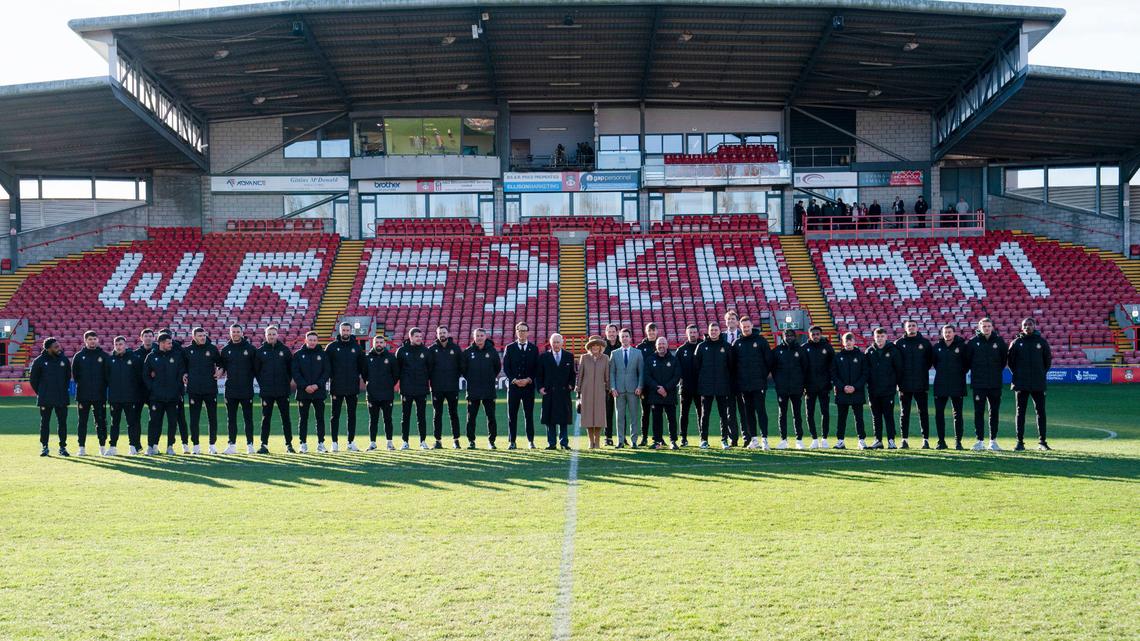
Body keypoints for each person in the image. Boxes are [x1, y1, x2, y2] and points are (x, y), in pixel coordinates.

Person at [1007, 318, 1052, 451]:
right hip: (1021, 383)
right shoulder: (1016, 342)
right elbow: (1011, 363)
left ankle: (1042, 442)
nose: (1027, 327)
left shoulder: (1042, 342)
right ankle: (1019, 442)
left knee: (1041, 412)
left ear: (1034, 326)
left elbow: (1047, 362)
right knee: (1020, 412)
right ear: (1021, 327)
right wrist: (1019, 375)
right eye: (1025, 325)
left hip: (1038, 383)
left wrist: (1039, 374)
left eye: (1030, 324)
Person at [966, 317, 1007, 451]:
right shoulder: (973, 342)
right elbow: (968, 361)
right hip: (979, 384)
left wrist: (994, 373)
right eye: (984, 326)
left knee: (994, 412)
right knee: (979, 412)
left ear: (992, 327)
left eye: (989, 326)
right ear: (979, 328)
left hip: (995, 384)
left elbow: (1003, 361)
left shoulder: (999, 342)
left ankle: (993, 441)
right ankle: (979, 441)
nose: (986, 328)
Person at [732, 315, 772, 449]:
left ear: (752, 326)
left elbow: (768, 361)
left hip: (758, 384)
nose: (746, 329)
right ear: (740, 327)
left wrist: (762, 377)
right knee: (748, 413)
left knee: (761, 411)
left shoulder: (761, 341)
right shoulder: (737, 343)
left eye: (748, 326)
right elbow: (734, 365)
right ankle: (754, 439)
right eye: (744, 327)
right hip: (744, 385)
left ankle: (765, 439)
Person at [326, 322, 367, 451]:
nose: (345, 332)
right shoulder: (331, 347)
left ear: (351, 331)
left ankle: (351, 442)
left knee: (352, 415)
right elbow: (327, 366)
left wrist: (363, 379)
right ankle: (334, 443)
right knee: (335, 416)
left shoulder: (357, 347)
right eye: (343, 330)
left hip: (352, 387)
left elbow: (362, 366)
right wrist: (333, 377)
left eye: (347, 330)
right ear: (340, 331)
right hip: (336, 386)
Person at [145, 333, 186, 455]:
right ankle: (152, 446)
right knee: (154, 422)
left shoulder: (177, 356)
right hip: (156, 397)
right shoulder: (151, 357)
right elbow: (145, 375)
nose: (171, 345)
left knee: (172, 422)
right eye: (169, 343)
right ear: (161, 343)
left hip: (173, 397)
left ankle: (170, 446)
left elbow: (181, 373)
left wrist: (178, 390)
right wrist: (152, 388)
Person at [695, 322, 734, 449]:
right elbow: (697, 367)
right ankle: (704, 439)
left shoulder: (726, 346)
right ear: (708, 331)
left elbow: (731, 366)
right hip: (706, 387)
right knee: (705, 414)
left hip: (722, 387)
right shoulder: (701, 346)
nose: (713, 332)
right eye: (711, 330)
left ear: (719, 331)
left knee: (723, 414)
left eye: (716, 330)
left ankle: (724, 440)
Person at [895, 319, 933, 449]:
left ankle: (925, 440)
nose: (911, 327)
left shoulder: (925, 343)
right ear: (905, 328)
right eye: (909, 326)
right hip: (904, 384)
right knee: (904, 413)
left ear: (917, 328)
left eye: (913, 326)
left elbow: (929, 362)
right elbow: (897, 364)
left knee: (923, 412)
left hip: (920, 384)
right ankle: (904, 440)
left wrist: (920, 373)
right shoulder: (899, 343)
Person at [30, 337, 71, 457]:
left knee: (62, 423)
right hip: (45, 398)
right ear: (48, 349)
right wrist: (42, 392)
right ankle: (44, 447)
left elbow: (68, 377)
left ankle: (62, 447)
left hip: (61, 397)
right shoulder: (39, 361)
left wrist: (62, 390)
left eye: (59, 346)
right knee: (45, 423)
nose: (59, 348)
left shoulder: (64, 360)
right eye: (56, 347)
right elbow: (33, 380)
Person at [219, 324, 256, 454]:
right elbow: (221, 367)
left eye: (237, 331)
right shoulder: (225, 350)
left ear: (242, 333)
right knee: (231, 419)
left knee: (248, 418)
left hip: (246, 389)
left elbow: (257, 368)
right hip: (230, 390)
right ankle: (231, 445)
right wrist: (219, 372)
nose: (235, 333)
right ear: (230, 333)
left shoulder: (251, 349)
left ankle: (250, 445)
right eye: (233, 331)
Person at [256, 325, 294, 453]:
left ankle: (289, 445)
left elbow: (290, 370)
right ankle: (264, 445)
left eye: (273, 334)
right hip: (267, 392)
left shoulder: (285, 350)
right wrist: (264, 384)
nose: (271, 336)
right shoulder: (260, 351)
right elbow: (257, 371)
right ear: (265, 336)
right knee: (266, 418)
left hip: (282, 391)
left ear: (277, 335)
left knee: (286, 418)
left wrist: (285, 382)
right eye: (269, 334)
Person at [72, 330, 110, 456]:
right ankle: (81, 447)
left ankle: (102, 447)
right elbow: (76, 375)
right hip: (83, 396)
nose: (92, 341)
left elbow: (107, 376)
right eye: (90, 339)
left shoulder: (104, 356)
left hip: (99, 395)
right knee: (82, 422)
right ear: (85, 341)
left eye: (94, 339)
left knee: (101, 421)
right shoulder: (79, 356)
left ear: (98, 340)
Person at [183, 327, 220, 454]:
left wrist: (220, 370)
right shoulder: (188, 351)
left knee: (212, 418)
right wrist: (184, 373)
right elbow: (182, 366)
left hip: (210, 389)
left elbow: (221, 363)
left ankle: (212, 445)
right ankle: (196, 446)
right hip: (194, 390)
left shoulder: (212, 349)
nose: (203, 337)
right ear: (194, 337)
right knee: (194, 419)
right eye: (200, 336)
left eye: (204, 335)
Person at [463, 328, 502, 449]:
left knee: (491, 417)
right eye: (477, 336)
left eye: (481, 335)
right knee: (471, 418)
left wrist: (489, 378)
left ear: (485, 337)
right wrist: (472, 378)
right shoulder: (468, 352)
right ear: (473, 337)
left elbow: (497, 367)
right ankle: (471, 441)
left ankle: (491, 441)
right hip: (473, 390)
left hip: (488, 389)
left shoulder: (492, 351)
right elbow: (464, 369)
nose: (479, 338)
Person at [502, 322, 538, 449]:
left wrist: (528, 379)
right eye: (519, 330)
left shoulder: (534, 348)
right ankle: (512, 441)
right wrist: (514, 380)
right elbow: (506, 367)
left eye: (524, 330)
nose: (522, 333)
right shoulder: (510, 348)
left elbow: (536, 368)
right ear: (516, 332)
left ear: (528, 332)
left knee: (529, 415)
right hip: (514, 387)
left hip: (528, 387)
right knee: (512, 415)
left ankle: (531, 441)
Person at [536, 333, 575, 450]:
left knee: (564, 419)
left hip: (564, 393)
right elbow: (539, 375)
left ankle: (564, 443)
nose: (556, 344)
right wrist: (540, 388)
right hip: (549, 392)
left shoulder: (569, 356)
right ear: (550, 343)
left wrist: (571, 385)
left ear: (562, 343)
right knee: (550, 419)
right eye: (554, 342)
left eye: (558, 342)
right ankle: (551, 443)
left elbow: (572, 374)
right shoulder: (543, 357)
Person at [293, 331, 330, 453]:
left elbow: (326, 372)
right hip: (303, 392)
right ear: (306, 340)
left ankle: (321, 444)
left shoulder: (323, 355)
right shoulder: (298, 355)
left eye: (314, 340)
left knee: (320, 418)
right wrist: (305, 386)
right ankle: (303, 444)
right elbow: (296, 373)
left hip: (318, 392)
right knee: (303, 419)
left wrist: (317, 385)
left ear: (317, 341)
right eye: (310, 340)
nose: (312, 342)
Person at [865, 327, 902, 449]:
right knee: (876, 416)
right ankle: (878, 440)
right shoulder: (869, 351)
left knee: (888, 416)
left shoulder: (893, 351)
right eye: (877, 336)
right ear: (874, 338)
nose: (879, 339)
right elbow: (865, 371)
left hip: (888, 390)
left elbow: (899, 370)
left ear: (886, 337)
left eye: (882, 336)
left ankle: (891, 440)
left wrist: (894, 384)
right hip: (873, 390)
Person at [931, 324, 967, 450]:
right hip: (940, 384)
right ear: (942, 333)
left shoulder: (962, 346)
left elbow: (966, 363)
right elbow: (935, 363)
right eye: (945, 332)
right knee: (939, 414)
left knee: (958, 414)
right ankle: (941, 441)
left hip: (957, 384)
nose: (947, 334)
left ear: (954, 333)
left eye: (949, 332)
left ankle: (958, 442)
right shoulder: (937, 347)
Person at [106, 336, 144, 455]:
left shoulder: (134, 358)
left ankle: (132, 446)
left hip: (130, 397)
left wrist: (135, 394)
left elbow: (139, 378)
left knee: (131, 422)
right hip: (115, 397)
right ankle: (112, 447)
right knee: (114, 423)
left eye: (121, 344)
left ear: (125, 345)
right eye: (116, 344)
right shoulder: (110, 359)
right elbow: (106, 378)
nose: (118, 346)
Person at [771, 328, 807, 449]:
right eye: (786, 335)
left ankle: (799, 440)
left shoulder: (801, 350)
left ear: (795, 337)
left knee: (797, 414)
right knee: (782, 414)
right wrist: (778, 382)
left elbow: (805, 369)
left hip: (797, 388)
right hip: (782, 388)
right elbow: (773, 369)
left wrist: (803, 385)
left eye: (791, 335)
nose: (789, 337)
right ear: (782, 336)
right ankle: (783, 439)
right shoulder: (777, 351)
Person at [830, 332, 868, 449]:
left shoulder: (861, 356)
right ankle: (840, 441)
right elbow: (834, 375)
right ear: (843, 342)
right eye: (846, 340)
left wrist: (855, 387)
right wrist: (843, 387)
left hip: (857, 392)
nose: (848, 342)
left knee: (859, 417)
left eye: (850, 340)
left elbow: (865, 374)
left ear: (854, 341)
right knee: (842, 418)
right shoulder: (837, 357)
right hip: (842, 392)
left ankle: (861, 441)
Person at [428, 325, 463, 449]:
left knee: (453, 413)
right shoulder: (431, 349)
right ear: (437, 335)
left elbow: (461, 366)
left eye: (444, 332)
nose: (442, 334)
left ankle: (456, 440)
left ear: (448, 334)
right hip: (437, 388)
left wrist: (453, 378)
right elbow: (428, 368)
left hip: (452, 387)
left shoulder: (456, 348)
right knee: (437, 414)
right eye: (440, 333)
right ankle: (438, 440)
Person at [396, 327, 431, 450]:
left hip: (421, 389)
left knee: (421, 417)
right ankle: (405, 442)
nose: (419, 339)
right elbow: (397, 370)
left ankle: (423, 441)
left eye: (420, 337)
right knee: (405, 416)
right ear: (410, 337)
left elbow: (430, 370)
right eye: (417, 336)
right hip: (407, 389)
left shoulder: (426, 351)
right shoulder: (401, 351)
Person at [643, 336, 680, 449]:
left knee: (672, 419)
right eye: (659, 344)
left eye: (663, 344)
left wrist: (666, 388)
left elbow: (677, 376)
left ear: (667, 345)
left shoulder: (673, 359)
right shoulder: (650, 359)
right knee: (656, 419)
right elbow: (647, 376)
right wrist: (657, 388)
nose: (661, 346)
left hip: (669, 394)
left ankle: (673, 441)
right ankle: (657, 441)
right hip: (655, 394)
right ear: (656, 346)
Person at [608, 328, 643, 448]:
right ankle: (620, 441)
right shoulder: (614, 353)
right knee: (619, 417)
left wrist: (640, 386)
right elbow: (611, 372)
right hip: (618, 390)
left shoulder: (638, 353)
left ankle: (634, 441)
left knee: (634, 416)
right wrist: (613, 387)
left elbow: (641, 372)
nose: (624, 338)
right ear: (619, 338)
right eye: (622, 336)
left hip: (634, 390)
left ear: (630, 338)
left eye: (626, 336)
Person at [364, 335, 398, 450]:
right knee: (373, 420)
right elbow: (364, 375)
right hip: (372, 394)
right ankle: (372, 443)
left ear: (385, 344)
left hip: (387, 394)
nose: (379, 344)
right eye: (377, 342)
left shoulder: (391, 357)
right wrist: (372, 384)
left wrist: (388, 385)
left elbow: (396, 375)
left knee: (388, 419)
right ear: (373, 344)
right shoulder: (367, 357)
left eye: (381, 342)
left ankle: (389, 443)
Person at [803, 326, 835, 448]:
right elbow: (801, 368)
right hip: (809, 387)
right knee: (809, 413)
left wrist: (830, 382)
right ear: (809, 335)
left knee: (825, 412)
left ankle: (824, 439)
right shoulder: (804, 348)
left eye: (817, 334)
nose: (815, 336)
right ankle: (814, 439)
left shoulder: (827, 347)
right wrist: (803, 385)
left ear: (821, 334)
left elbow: (833, 366)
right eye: (813, 334)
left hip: (824, 386)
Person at [576, 335, 610, 449]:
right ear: (589, 347)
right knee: (588, 417)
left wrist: (609, 389)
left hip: (600, 390)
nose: (595, 347)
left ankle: (598, 441)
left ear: (601, 346)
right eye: (593, 345)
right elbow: (580, 375)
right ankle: (591, 442)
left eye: (597, 345)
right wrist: (578, 389)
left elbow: (607, 376)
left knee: (599, 417)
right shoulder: (584, 357)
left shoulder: (605, 358)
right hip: (586, 390)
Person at [674, 325, 702, 447]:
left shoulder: (703, 347)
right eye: (690, 332)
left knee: (702, 413)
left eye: (694, 332)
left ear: (698, 333)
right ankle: (683, 438)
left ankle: (703, 437)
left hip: (701, 387)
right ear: (686, 333)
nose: (692, 334)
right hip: (685, 388)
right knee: (684, 413)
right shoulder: (681, 350)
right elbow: (676, 370)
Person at [635, 323, 659, 446]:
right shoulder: (640, 347)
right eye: (649, 330)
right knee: (645, 413)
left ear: (657, 331)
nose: (651, 332)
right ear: (646, 331)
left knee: (658, 412)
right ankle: (644, 437)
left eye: (653, 330)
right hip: (645, 386)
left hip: (657, 386)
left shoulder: (660, 345)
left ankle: (658, 437)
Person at [602, 323, 621, 446]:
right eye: (609, 331)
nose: (611, 334)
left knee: (621, 412)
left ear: (617, 333)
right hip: (606, 385)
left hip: (621, 383)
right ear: (606, 333)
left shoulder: (622, 344)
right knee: (607, 412)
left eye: (613, 331)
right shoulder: (602, 347)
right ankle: (608, 437)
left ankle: (622, 437)